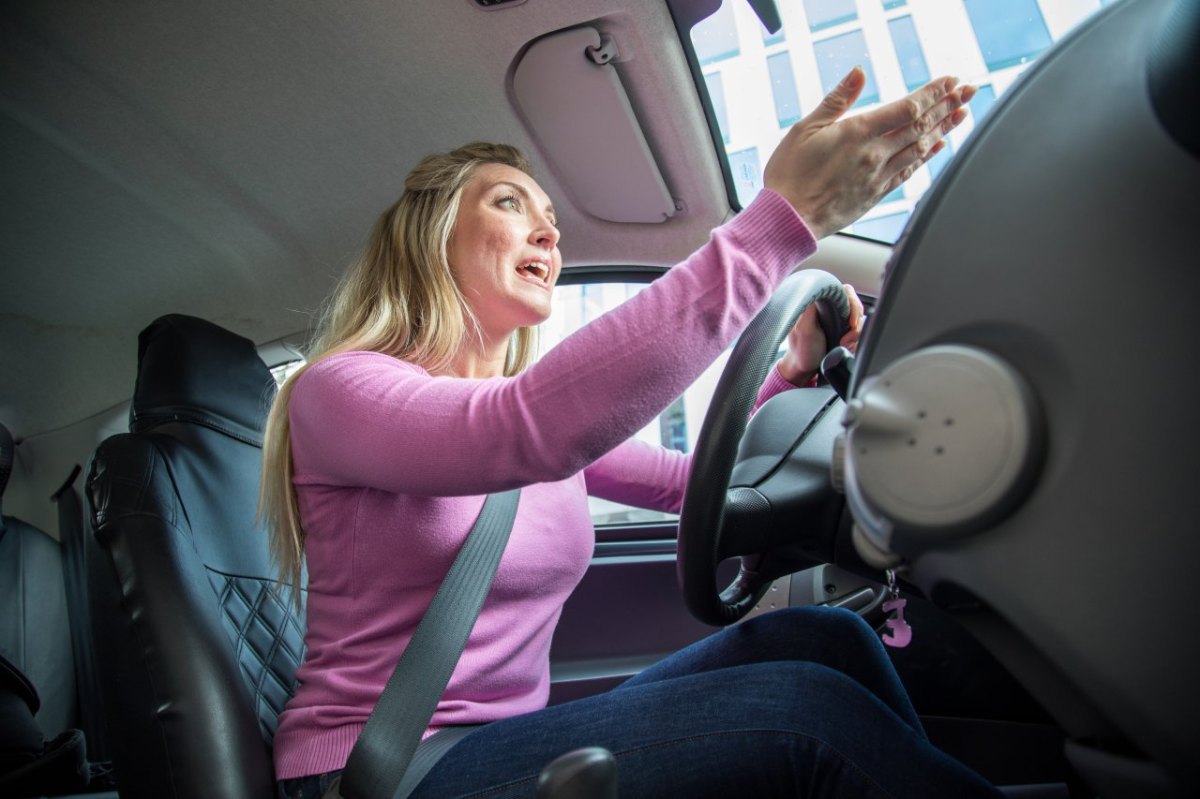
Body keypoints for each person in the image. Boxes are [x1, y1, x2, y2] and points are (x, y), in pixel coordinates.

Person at [263, 66, 996, 798]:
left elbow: (703, 485)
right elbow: (528, 427)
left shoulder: (534, 426)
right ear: (430, 236)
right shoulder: (340, 390)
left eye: (550, 217)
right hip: (377, 768)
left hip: (502, 742)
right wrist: (781, 222)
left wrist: (794, 373)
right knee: (801, 715)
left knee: (827, 640)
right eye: (509, 202)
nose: (548, 230)